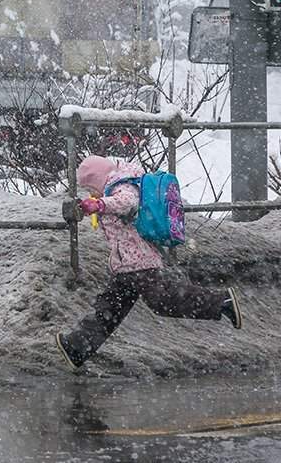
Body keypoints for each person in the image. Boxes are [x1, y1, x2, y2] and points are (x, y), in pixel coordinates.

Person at [55, 155, 241, 369]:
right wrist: (100, 204)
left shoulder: (122, 185)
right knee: (109, 308)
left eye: (91, 188)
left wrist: (100, 204)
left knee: (163, 300)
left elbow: (127, 202)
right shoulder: (116, 186)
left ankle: (222, 302)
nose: (91, 193)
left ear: (98, 179)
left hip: (139, 263)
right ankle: (77, 348)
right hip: (126, 265)